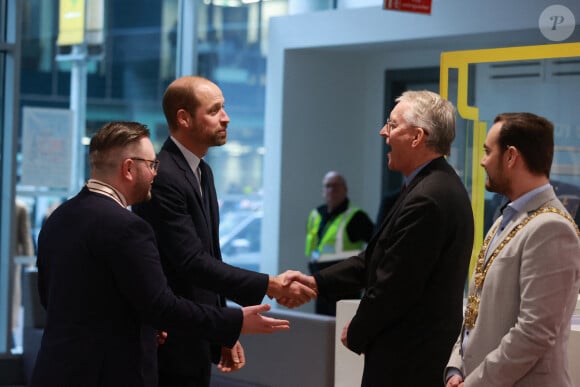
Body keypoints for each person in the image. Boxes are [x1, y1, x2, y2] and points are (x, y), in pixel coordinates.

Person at [30, 121, 291, 387]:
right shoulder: (127, 227)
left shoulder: (58, 218)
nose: (156, 173)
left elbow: (57, 300)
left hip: (55, 370)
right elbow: (162, 306)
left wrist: (141, 325)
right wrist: (235, 321)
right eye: (152, 164)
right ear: (129, 168)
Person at [132, 76, 316, 387]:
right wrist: (270, 284)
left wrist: (222, 333)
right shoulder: (164, 176)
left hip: (195, 337)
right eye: (215, 110)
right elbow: (190, 263)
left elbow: (209, 257)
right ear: (184, 118)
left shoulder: (202, 171)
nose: (226, 117)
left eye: (224, 108)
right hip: (170, 342)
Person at [285, 90, 475, 386]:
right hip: (410, 355)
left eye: (393, 124)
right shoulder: (429, 186)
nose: (383, 131)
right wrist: (317, 282)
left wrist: (359, 329)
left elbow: (396, 283)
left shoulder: (428, 196)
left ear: (417, 137)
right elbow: (377, 257)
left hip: (409, 361)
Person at [445, 113, 580, 387]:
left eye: (487, 151)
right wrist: (455, 367)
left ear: (510, 157)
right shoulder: (503, 221)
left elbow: (534, 333)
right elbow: (475, 309)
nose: (482, 161)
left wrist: (474, 383)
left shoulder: (551, 227)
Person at [305, 170, 374, 315]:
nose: (331, 190)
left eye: (336, 186)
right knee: (322, 327)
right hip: (321, 282)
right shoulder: (316, 214)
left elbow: (376, 245)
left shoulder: (357, 217)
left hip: (345, 284)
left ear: (345, 189)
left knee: (341, 328)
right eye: (327, 186)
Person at [11, 199, 35, 350]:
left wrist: (29, 261)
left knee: (11, 297)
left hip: (12, 260)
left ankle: (10, 333)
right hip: (12, 260)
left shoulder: (20, 207)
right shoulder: (19, 206)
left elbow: (25, 236)